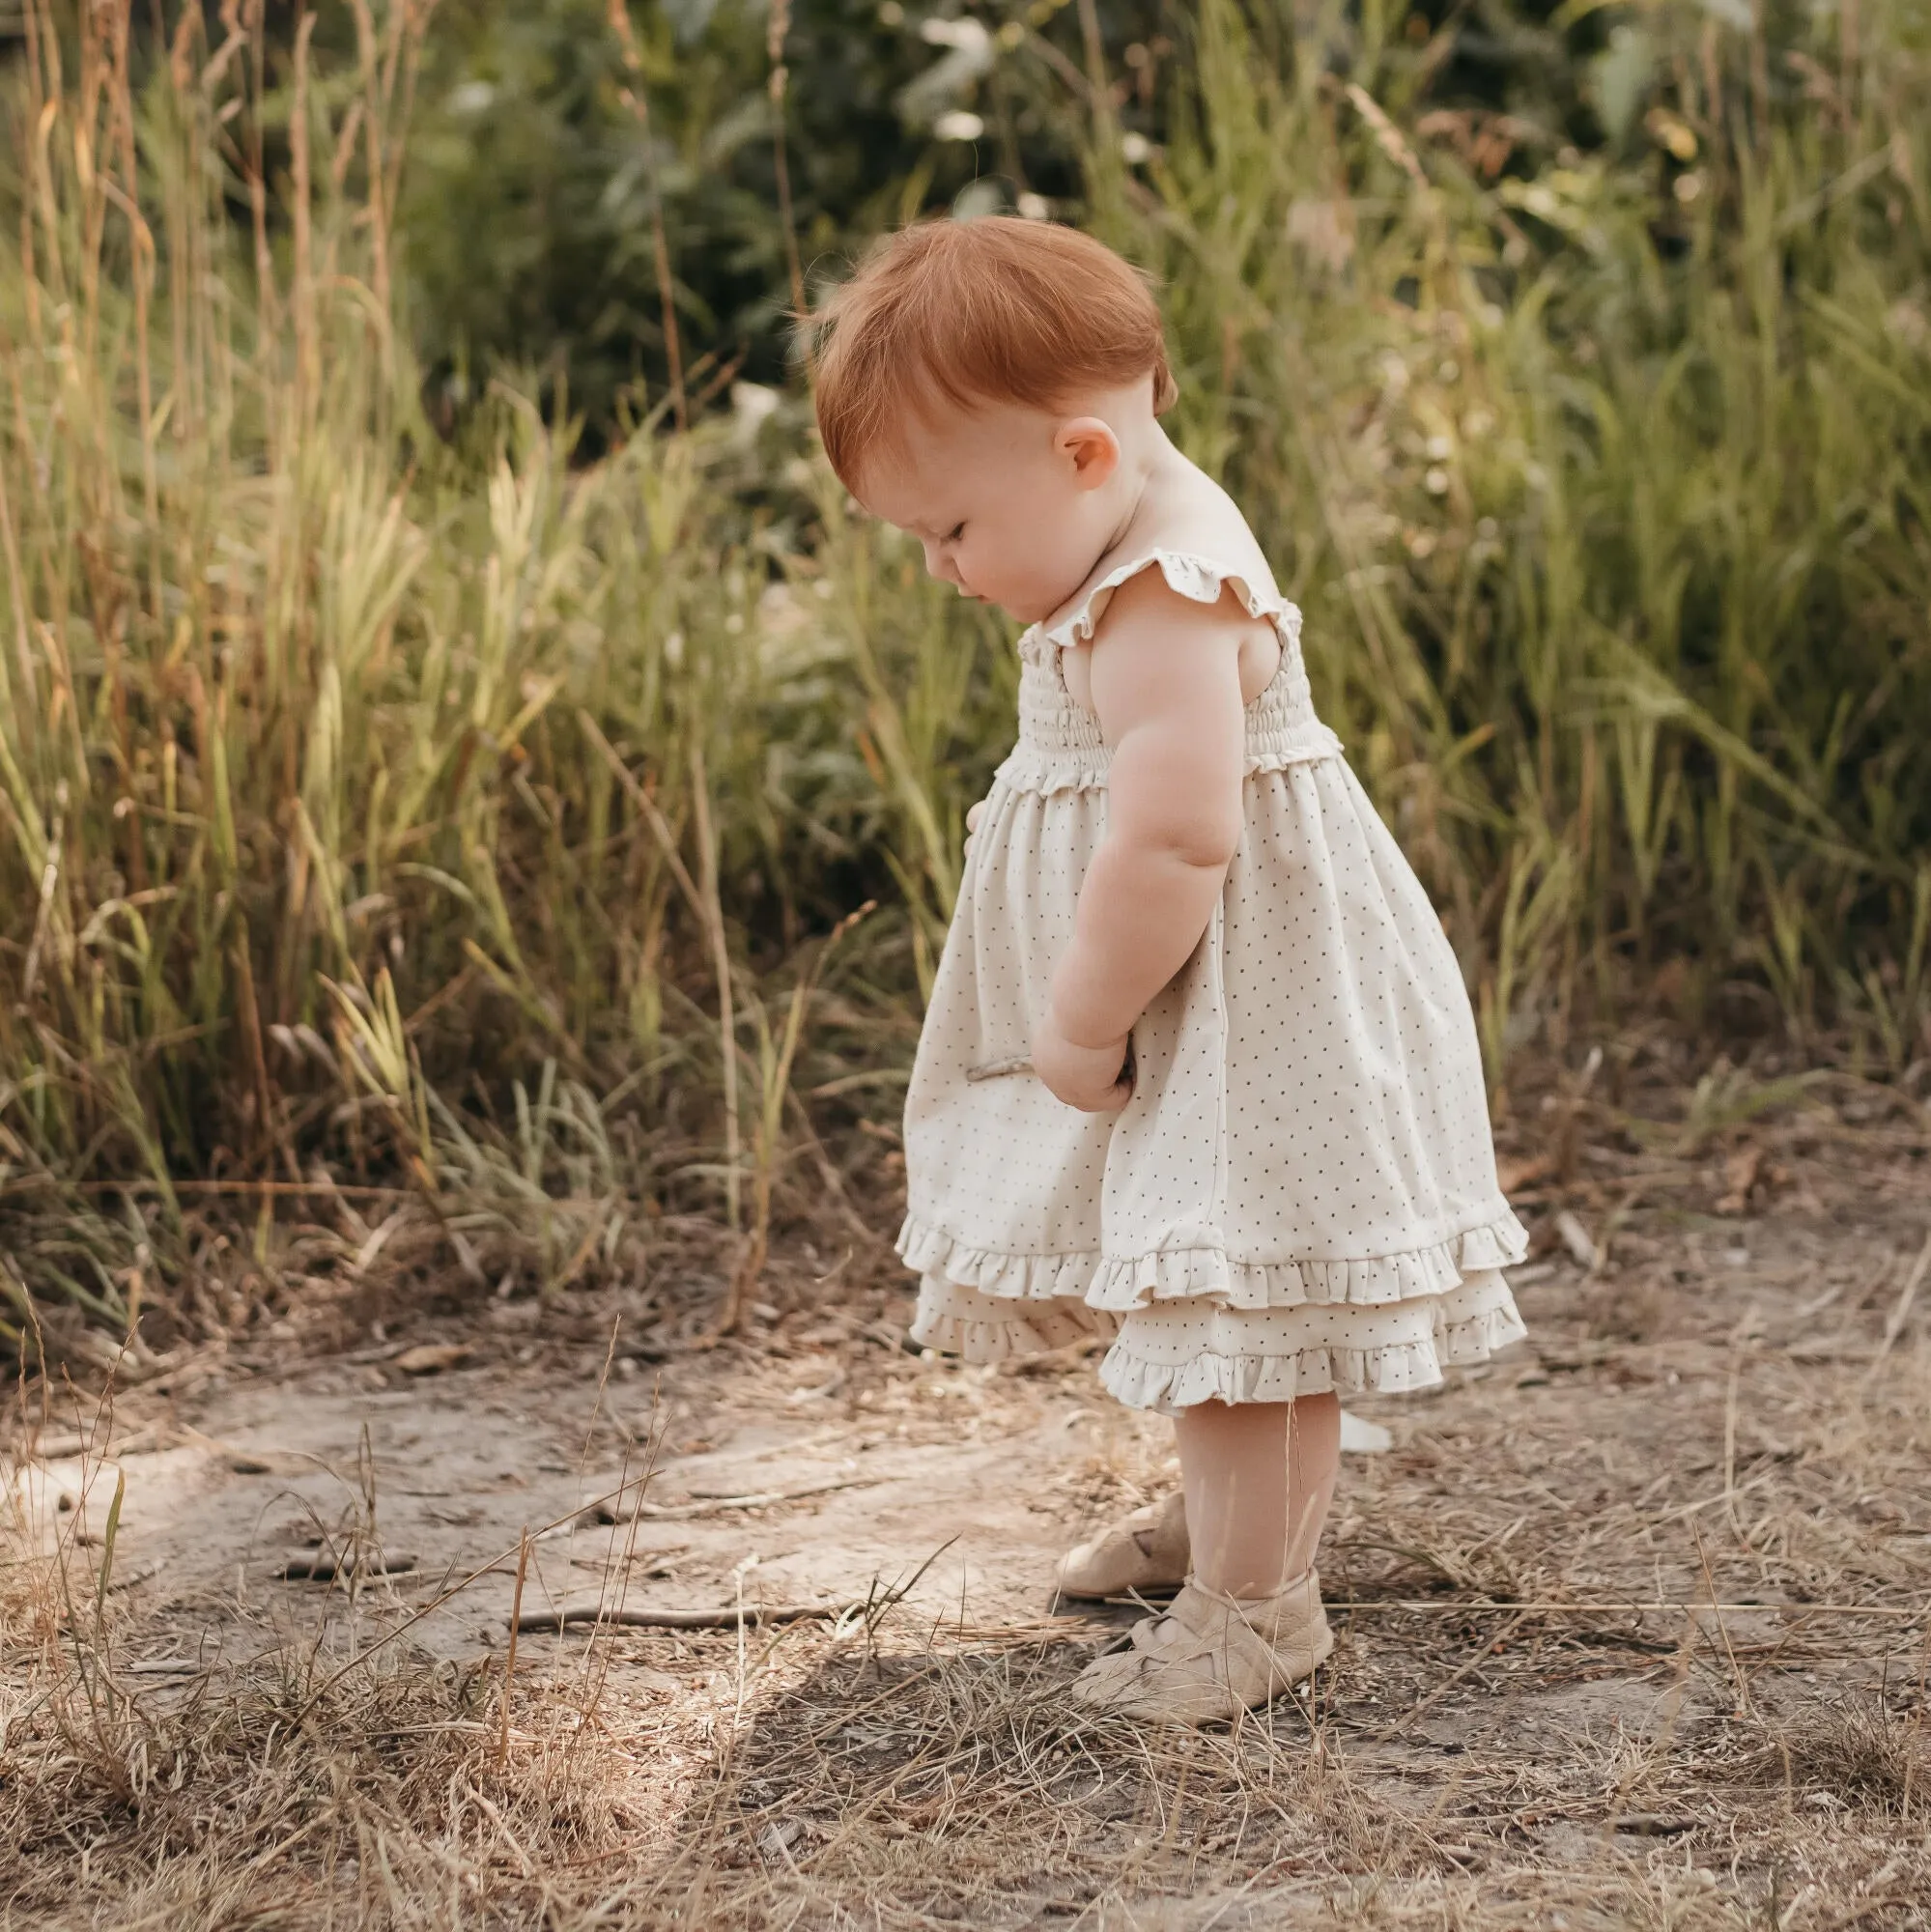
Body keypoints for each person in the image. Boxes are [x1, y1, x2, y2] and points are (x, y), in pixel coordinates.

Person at [809, 217, 1528, 1725]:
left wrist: (1077, 1024)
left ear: (1080, 456)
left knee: (1239, 1315)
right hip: (1203, 998)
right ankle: (1225, 1529)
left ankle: (1256, 1611)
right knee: (1197, 1293)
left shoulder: (1161, 604)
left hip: (1243, 1002)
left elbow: (1179, 842)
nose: (941, 570)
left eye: (947, 531)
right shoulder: (1122, 516)